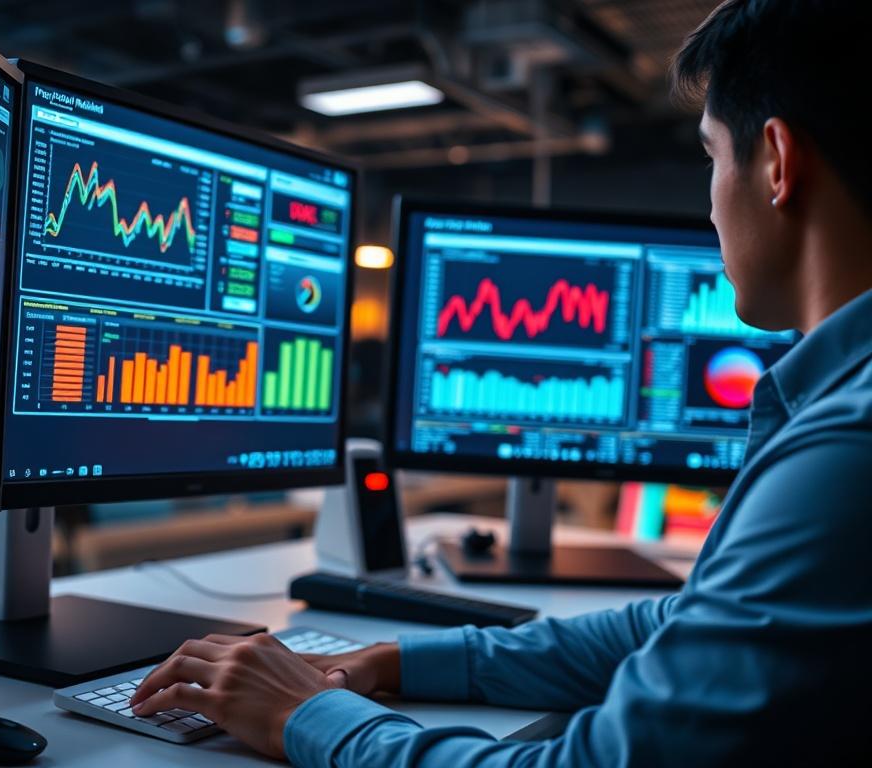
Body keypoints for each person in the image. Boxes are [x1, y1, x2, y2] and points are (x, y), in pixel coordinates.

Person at [130, 1, 872, 764]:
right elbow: (682, 625)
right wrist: (399, 659)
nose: (709, 205)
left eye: (711, 157)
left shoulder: (847, 445)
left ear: (777, 163)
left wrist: (308, 716)